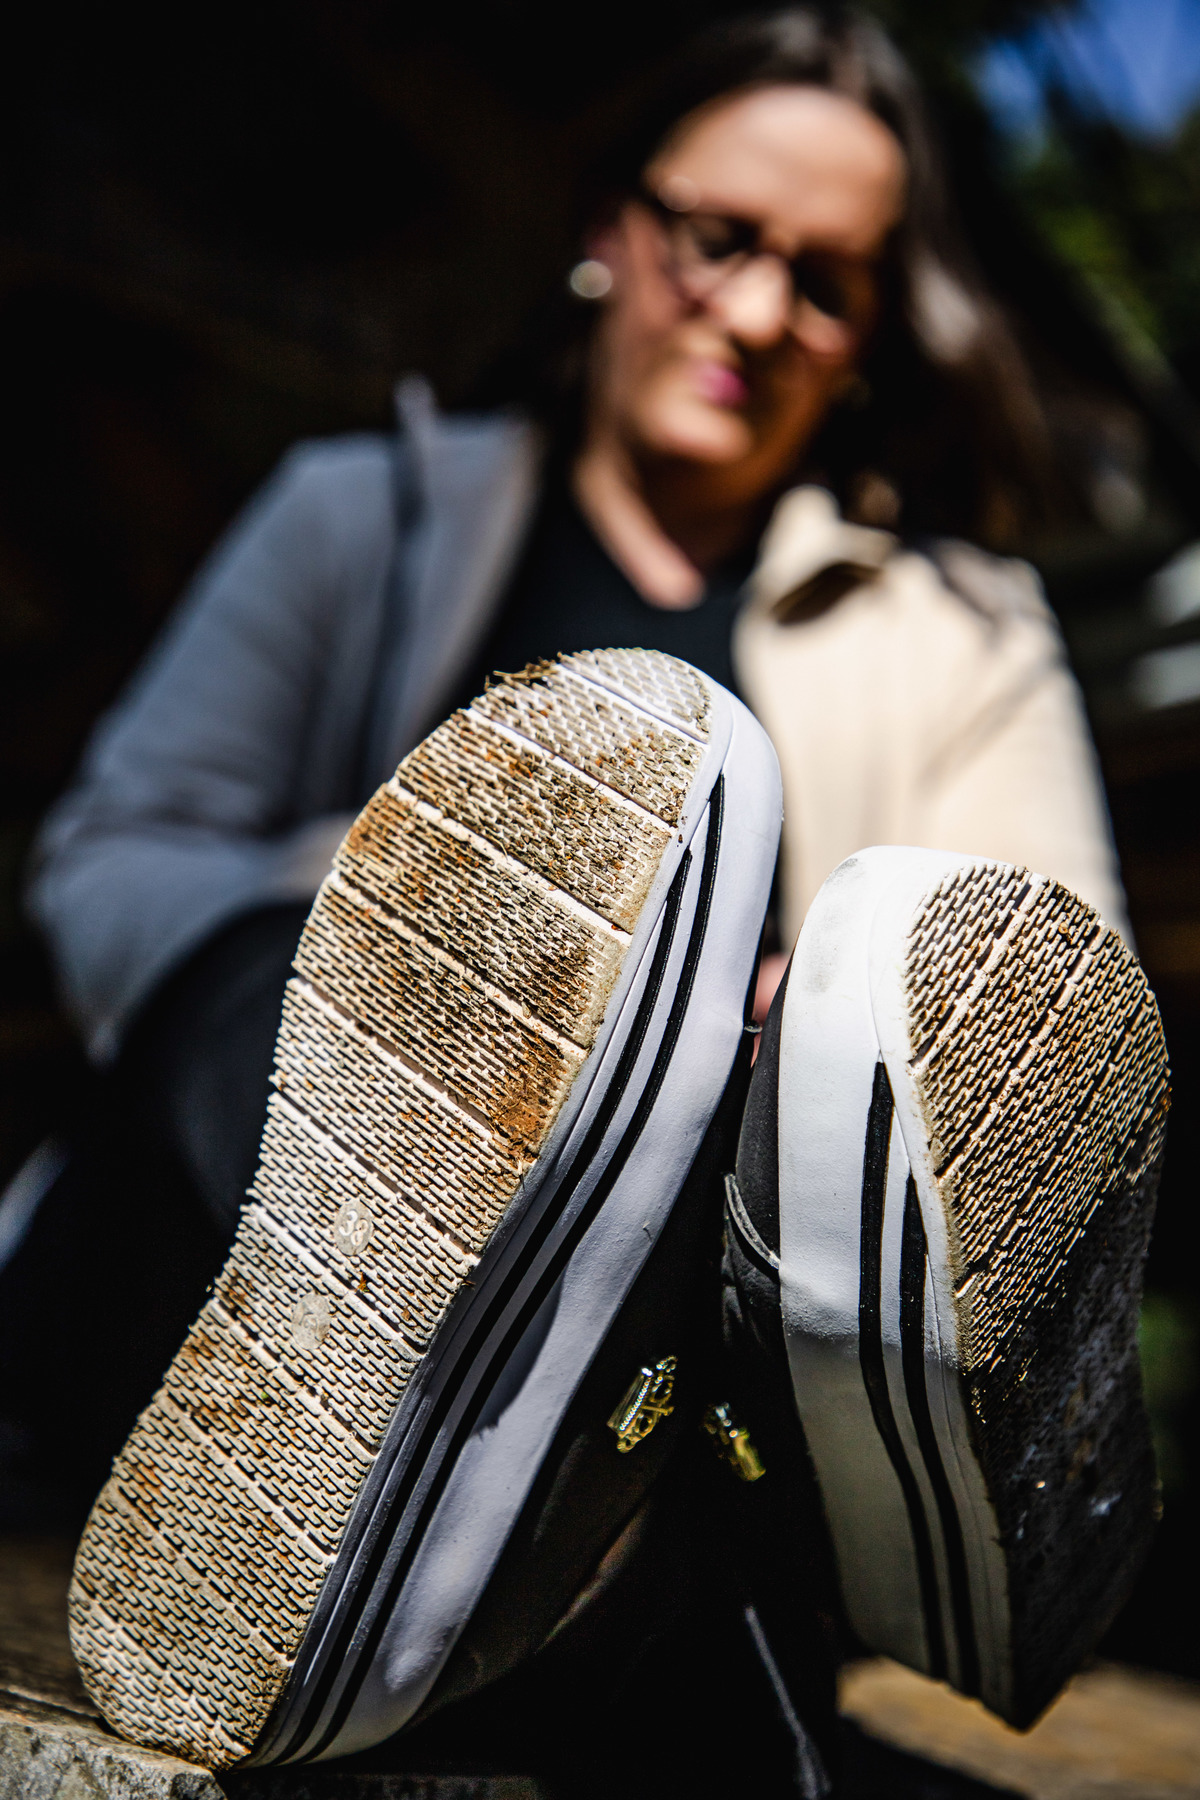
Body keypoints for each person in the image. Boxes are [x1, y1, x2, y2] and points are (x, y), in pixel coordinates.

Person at [9, 5, 1143, 1789]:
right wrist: (430, 925)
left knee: (826, 1123)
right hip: (202, 1216)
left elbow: (1047, 1017)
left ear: (869, 335)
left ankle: (548, 1508)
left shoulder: (965, 629)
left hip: (698, 1312)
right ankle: (371, 1440)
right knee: (269, 964)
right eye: (721, 239)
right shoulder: (358, 514)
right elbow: (112, 854)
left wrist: (785, 1016)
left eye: (827, 283)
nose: (756, 314)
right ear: (614, 229)